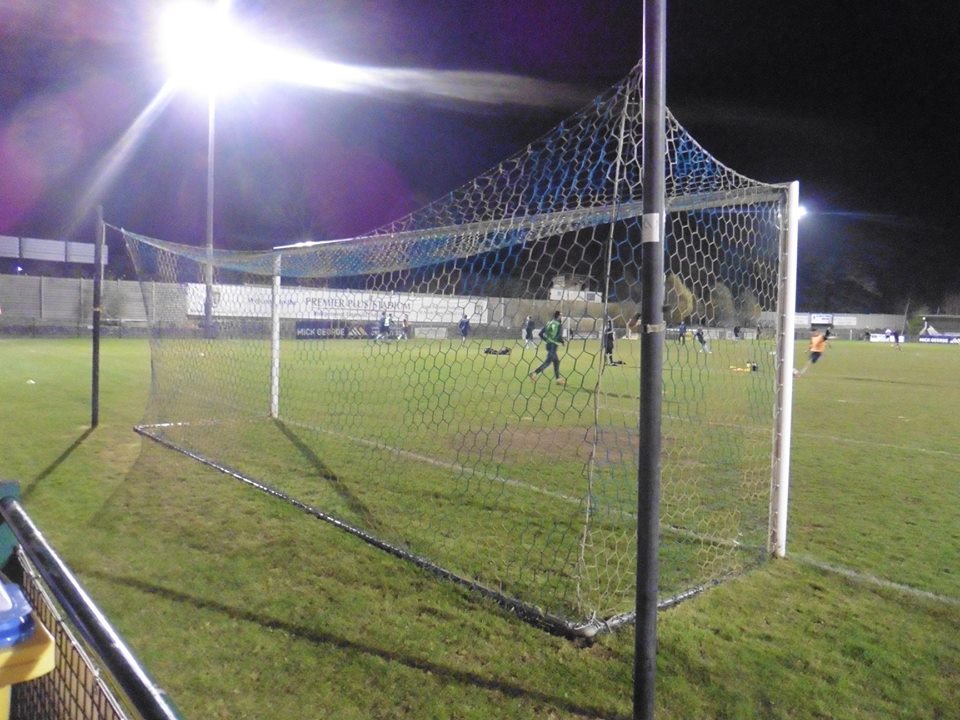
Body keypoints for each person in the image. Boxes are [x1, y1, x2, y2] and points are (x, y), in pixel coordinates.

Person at [529, 310, 565, 384]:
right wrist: (562, 342)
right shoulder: (558, 324)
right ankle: (534, 373)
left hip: (548, 345)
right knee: (547, 362)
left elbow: (540, 334)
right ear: (558, 316)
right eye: (561, 316)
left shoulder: (549, 323)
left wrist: (547, 340)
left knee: (556, 361)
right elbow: (559, 336)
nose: (561, 317)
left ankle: (558, 379)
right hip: (553, 346)